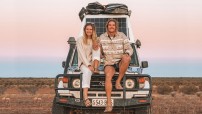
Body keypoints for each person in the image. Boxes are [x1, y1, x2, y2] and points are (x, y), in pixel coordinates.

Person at [99, 19, 133, 112]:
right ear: (107, 26)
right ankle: (109, 104)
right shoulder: (101, 37)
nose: (111, 26)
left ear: (116, 27)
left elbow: (130, 48)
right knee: (108, 75)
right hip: (109, 62)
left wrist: (126, 53)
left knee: (127, 58)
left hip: (120, 61)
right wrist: (99, 53)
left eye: (113, 25)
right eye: (109, 25)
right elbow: (99, 52)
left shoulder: (122, 35)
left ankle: (118, 81)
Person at [77, 23, 100, 107]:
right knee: (87, 71)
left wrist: (93, 66)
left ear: (93, 31)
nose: (89, 31)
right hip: (84, 63)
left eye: (91, 29)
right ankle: (85, 96)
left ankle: (96, 68)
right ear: (84, 30)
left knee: (97, 47)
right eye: (87, 29)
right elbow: (81, 54)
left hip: (94, 63)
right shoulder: (80, 40)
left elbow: (98, 53)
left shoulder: (95, 39)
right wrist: (88, 65)